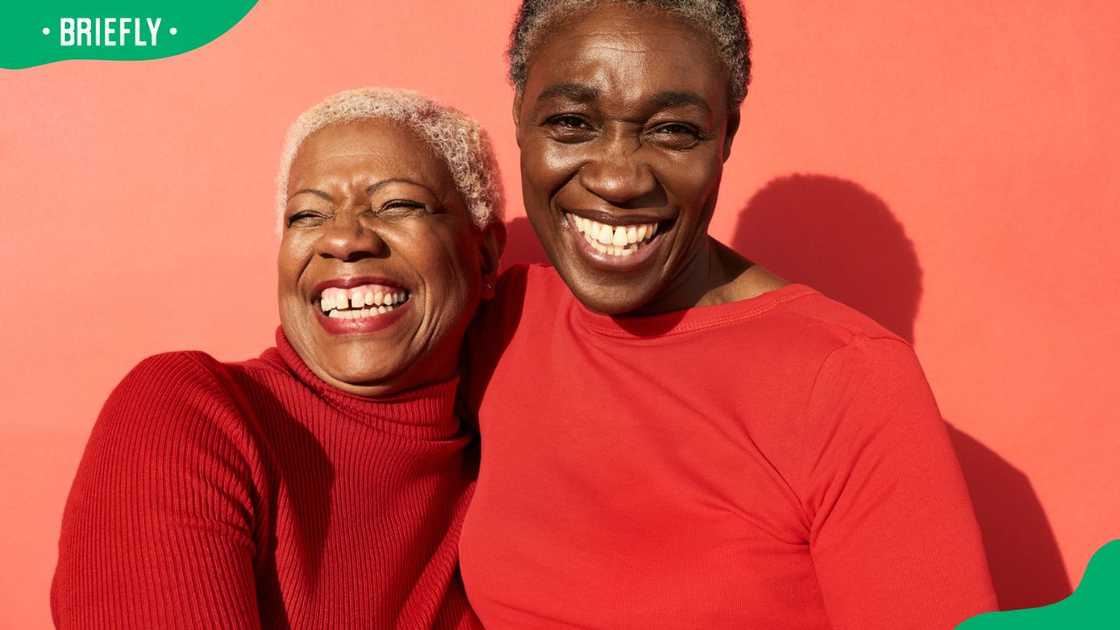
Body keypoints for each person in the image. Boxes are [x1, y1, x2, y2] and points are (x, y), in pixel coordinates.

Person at [460, 1, 998, 628]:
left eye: (672, 131)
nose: (619, 177)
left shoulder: (848, 380)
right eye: (572, 122)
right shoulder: (498, 319)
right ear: (520, 118)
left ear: (726, 138)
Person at [52, 88, 503, 629]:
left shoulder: (505, 476)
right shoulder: (193, 411)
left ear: (485, 256)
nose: (342, 239)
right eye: (307, 216)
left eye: (396, 204)